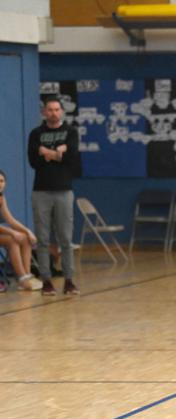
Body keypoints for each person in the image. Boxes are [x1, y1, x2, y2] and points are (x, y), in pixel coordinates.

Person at [27, 96, 81, 296]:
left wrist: (47, 153)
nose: (53, 113)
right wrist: (58, 153)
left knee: (65, 238)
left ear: (61, 111)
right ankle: (46, 280)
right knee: (42, 238)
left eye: (57, 109)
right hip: (41, 191)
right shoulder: (36, 134)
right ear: (44, 112)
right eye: (50, 109)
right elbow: (34, 161)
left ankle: (68, 280)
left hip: (64, 190)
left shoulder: (70, 132)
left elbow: (72, 159)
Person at [0, 170, 41, 291]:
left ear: (5, 183)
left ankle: (27, 275)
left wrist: (28, 231)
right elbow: (10, 229)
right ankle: (22, 278)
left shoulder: (2, 198)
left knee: (24, 238)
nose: (0, 184)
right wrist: (12, 232)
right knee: (12, 240)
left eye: (2, 181)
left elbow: (11, 220)